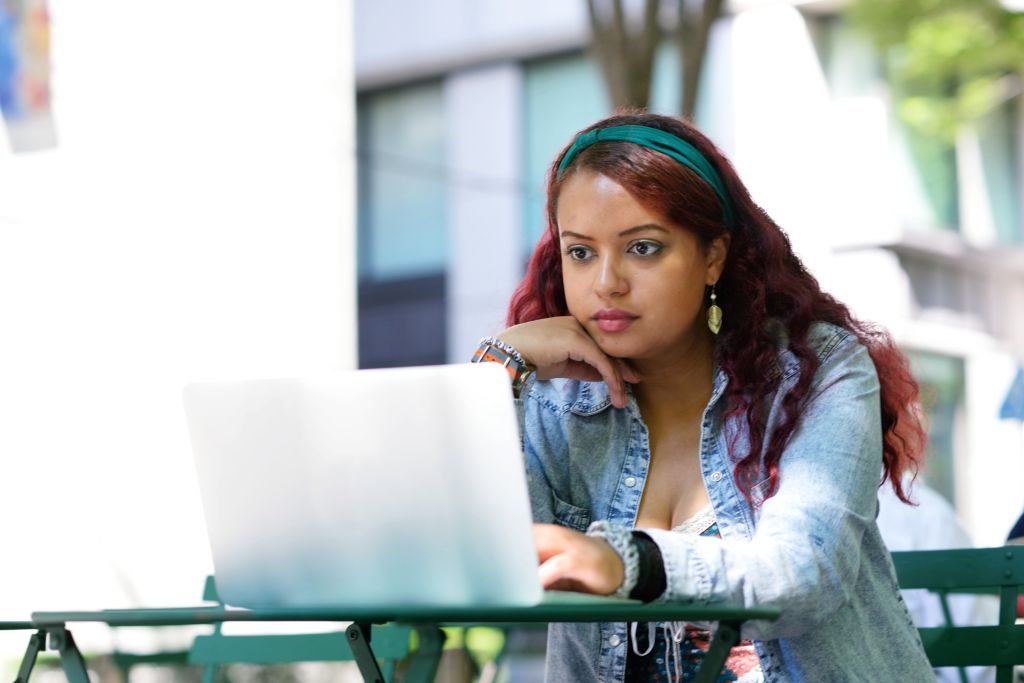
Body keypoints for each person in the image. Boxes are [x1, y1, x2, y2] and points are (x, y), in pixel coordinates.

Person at [470, 112, 935, 682]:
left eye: (642, 248)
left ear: (713, 255)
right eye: (581, 253)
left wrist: (628, 562)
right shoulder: (552, 403)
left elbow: (804, 574)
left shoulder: (814, 371)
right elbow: (478, 559)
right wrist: (498, 368)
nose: (607, 283)